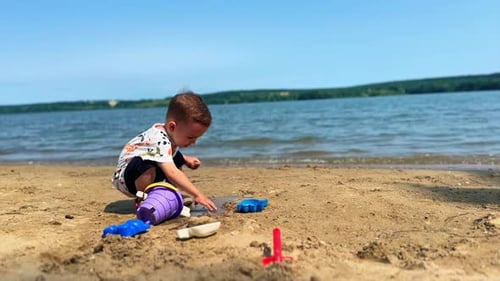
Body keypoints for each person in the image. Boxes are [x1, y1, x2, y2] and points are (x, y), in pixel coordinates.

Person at [111, 91, 217, 211]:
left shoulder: (170, 133)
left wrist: (185, 159)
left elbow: (166, 153)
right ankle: (145, 200)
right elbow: (172, 172)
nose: (194, 142)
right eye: (190, 137)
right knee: (148, 162)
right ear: (172, 126)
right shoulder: (158, 139)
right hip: (127, 180)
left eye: (197, 138)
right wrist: (198, 195)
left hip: (141, 172)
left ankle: (167, 195)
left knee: (176, 158)